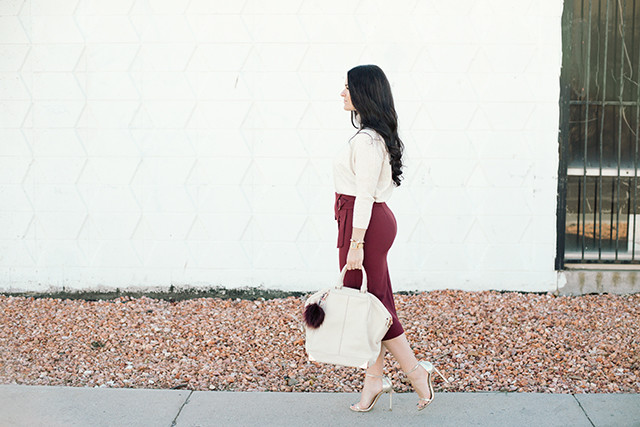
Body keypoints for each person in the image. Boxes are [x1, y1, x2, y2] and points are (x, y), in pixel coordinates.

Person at [334, 65, 448, 412]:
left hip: (363, 225)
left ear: (363, 93)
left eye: (347, 87)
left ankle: (415, 374)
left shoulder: (367, 141)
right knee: (372, 304)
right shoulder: (371, 138)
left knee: (375, 306)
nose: (342, 93)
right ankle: (375, 379)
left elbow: (365, 194)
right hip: (362, 223)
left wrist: (355, 243)